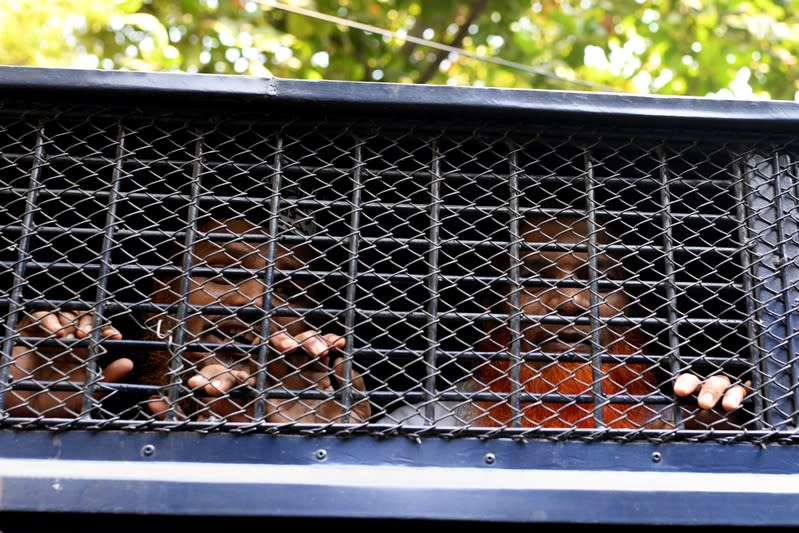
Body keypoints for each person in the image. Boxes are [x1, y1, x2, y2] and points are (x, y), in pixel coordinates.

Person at [380, 213, 748, 428]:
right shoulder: (430, 422)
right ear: (493, 306)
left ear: (632, 306)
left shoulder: (681, 420)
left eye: (599, 280)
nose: (571, 302)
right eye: (536, 278)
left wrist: (724, 429)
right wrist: (328, 428)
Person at [6, 213, 371, 424]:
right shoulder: (102, 404)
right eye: (224, 272)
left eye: (289, 287)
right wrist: (25, 418)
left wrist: (314, 449)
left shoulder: (334, 414)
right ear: (161, 295)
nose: (255, 302)